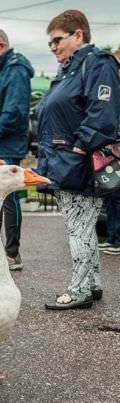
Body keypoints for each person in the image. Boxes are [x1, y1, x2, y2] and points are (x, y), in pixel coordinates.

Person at [36, 10, 120, 309]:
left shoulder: (97, 63)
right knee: (81, 226)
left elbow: (103, 112)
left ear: (78, 35)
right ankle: (93, 283)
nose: (53, 47)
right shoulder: (70, 70)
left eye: (57, 40)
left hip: (76, 161)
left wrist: (80, 149)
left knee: (79, 227)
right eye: (50, 43)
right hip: (61, 158)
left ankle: (81, 289)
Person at [0, 28, 34, 270]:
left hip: (6, 145)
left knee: (8, 199)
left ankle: (12, 253)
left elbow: (14, 112)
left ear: (0, 46)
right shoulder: (2, 71)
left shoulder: (15, 70)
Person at [99, 48, 120, 256]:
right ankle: (113, 237)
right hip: (113, 147)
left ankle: (117, 239)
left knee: (117, 196)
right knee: (112, 193)